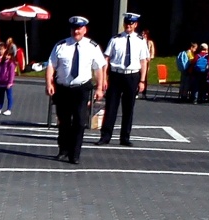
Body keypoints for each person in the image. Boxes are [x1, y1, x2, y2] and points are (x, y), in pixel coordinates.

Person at [46, 16, 106, 165]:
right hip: (63, 88)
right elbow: (51, 65)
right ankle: (63, 150)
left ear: (85, 30)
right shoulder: (61, 45)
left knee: (79, 122)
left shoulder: (92, 46)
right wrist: (49, 83)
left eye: (79, 28)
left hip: (81, 89)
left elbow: (99, 68)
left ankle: (75, 154)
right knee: (64, 121)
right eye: (74, 28)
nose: (76, 31)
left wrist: (100, 87)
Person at [96, 12, 149, 147]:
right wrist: (105, 78)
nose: (128, 26)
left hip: (132, 75)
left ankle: (125, 137)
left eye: (131, 24)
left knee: (128, 107)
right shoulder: (115, 39)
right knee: (111, 106)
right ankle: (105, 136)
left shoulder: (141, 41)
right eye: (126, 23)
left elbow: (143, 61)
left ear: (136, 25)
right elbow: (106, 59)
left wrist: (142, 80)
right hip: (116, 74)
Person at [0, 46, 16, 115]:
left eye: (8, 55)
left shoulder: (11, 64)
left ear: (11, 56)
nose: (7, 56)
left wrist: (10, 82)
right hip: (1, 82)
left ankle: (9, 109)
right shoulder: (2, 63)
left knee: (9, 96)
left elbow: (12, 74)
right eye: (6, 55)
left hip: (8, 83)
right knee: (1, 96)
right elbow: (0, 71)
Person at [140, 29, 155, 98]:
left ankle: (144, 93)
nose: (143, 35)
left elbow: (152, 52)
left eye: (144, 34)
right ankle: (136, 92)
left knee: (144, 77)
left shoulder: (149, 42)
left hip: (146, 61)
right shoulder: (139, 41)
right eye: (142, 33)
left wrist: (149, 58)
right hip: (138, 61)